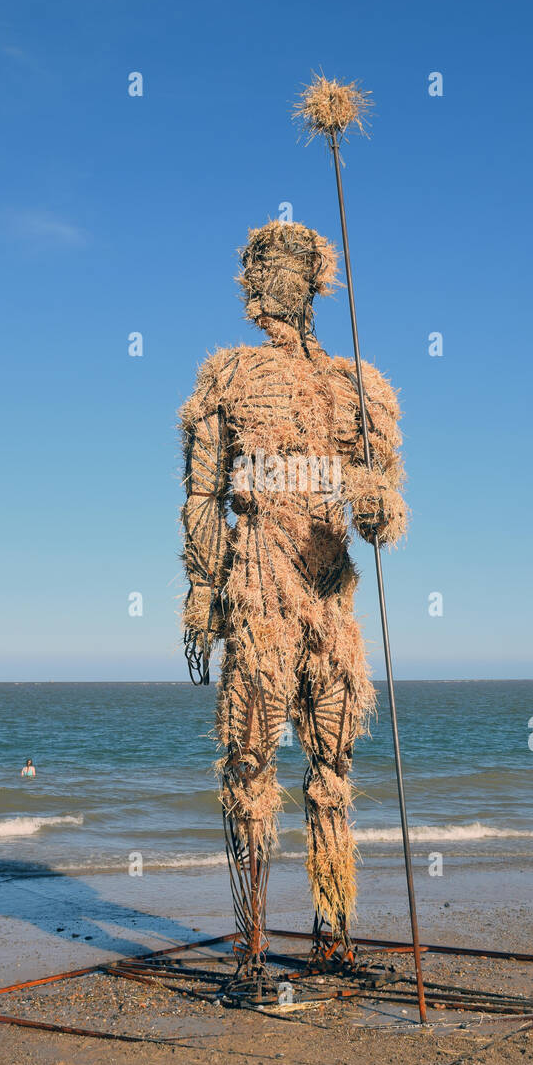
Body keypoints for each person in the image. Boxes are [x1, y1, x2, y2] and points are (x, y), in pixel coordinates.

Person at [180, 220, 406, 978]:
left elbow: (387, 503)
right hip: (258, 582)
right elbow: (206, 495)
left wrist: (378, 508)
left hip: (327, 588)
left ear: (318, 277)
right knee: (249, 750)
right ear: (250, 283)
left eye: (291, 265)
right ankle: (250, 942)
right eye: (264, 266)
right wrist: (203, 593)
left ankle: (331, 930)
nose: (276, 281)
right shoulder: (230, 377)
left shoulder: (357, 386)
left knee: (332, 758)